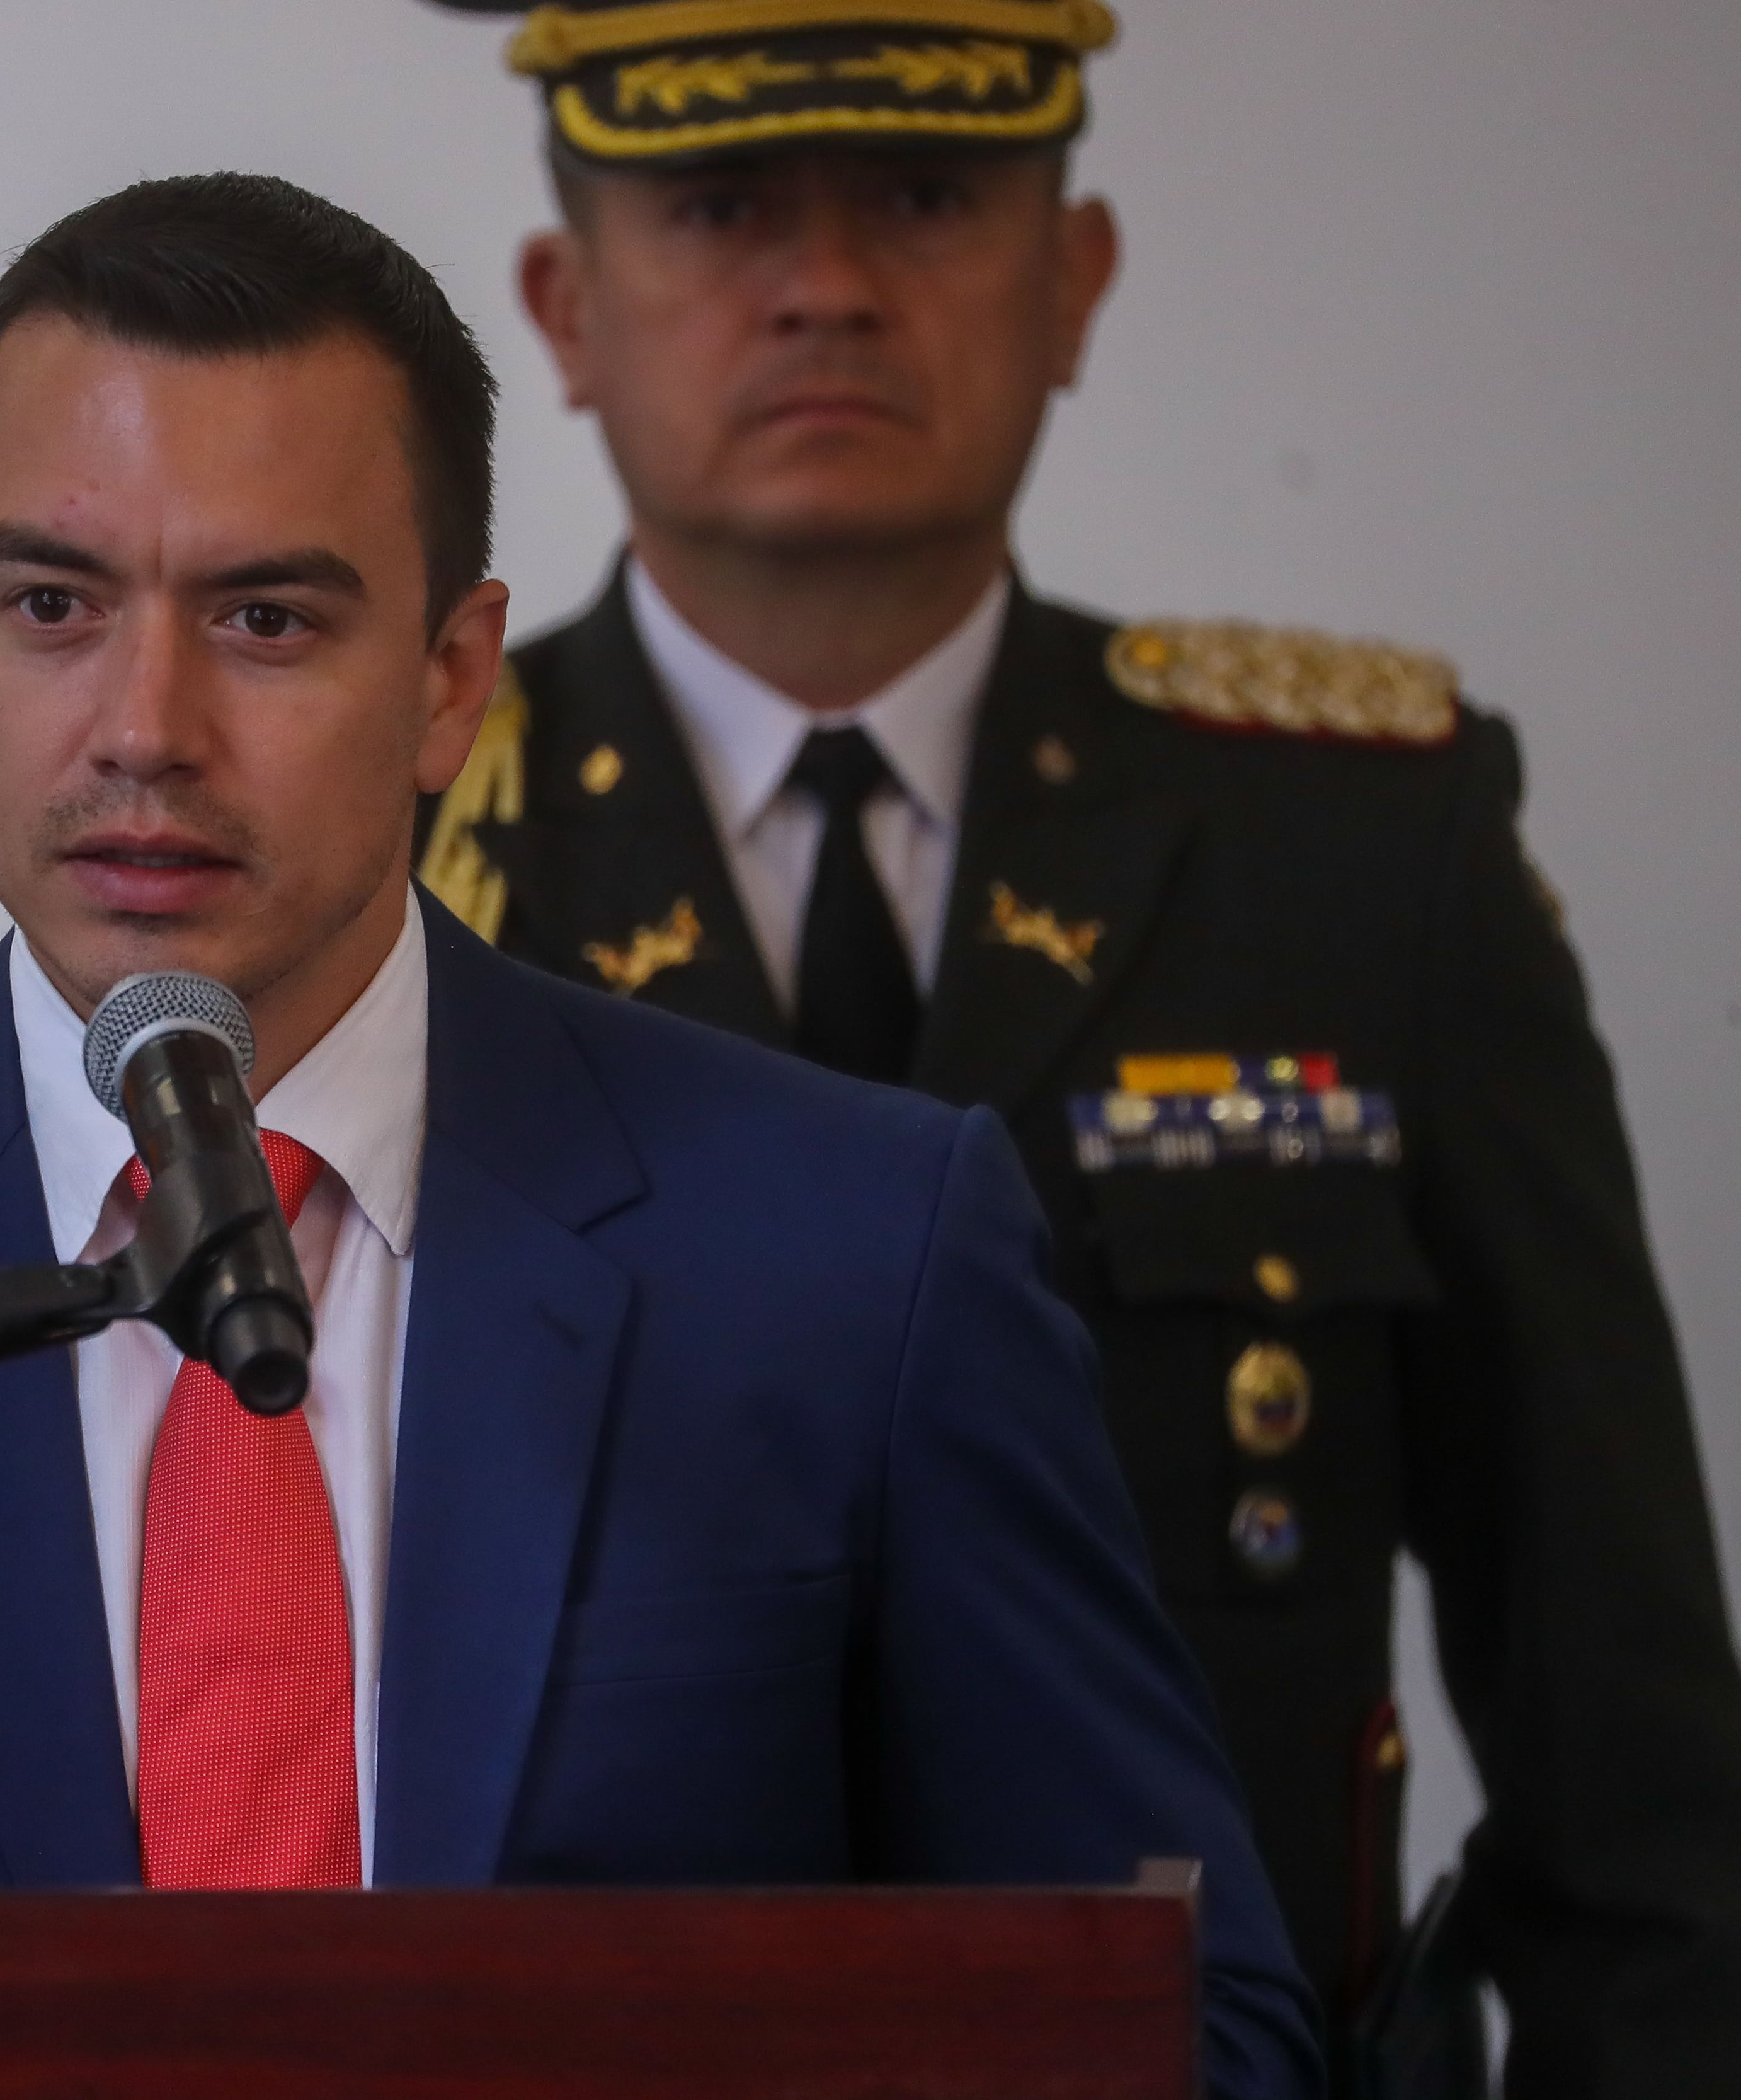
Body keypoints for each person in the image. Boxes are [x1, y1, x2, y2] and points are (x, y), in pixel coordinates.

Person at [0, 171, 1319, 2096]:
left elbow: (1191, 2036)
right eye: (52, 605)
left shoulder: (855, 1256)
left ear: (451, 680)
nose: (144, 726)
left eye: (267, 620)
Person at [415, 4, 1741, 2089]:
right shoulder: (390, 856)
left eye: (931, 199)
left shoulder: (1365, 848)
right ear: (566, 311)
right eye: (725, 204)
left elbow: (1630, 1755)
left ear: (1078, 280)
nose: (828, 284)